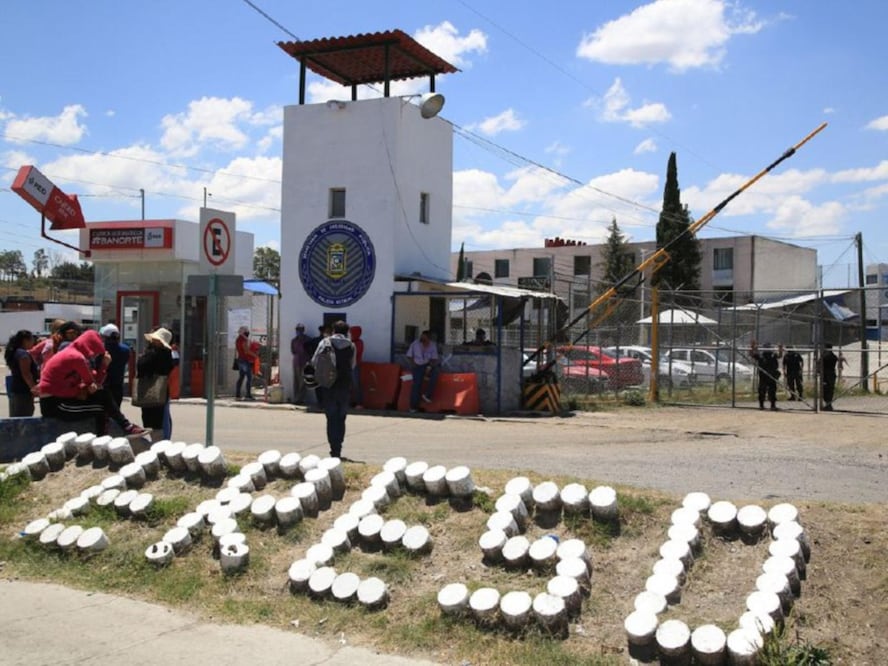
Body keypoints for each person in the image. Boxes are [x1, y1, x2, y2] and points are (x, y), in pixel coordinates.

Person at [38, 329, 149, 437]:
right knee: (101, 408)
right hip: (54, 404)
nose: (93, 356)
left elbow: (94, 383)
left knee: (103, 396)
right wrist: (104, 365)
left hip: (64, 398)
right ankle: (122, 429)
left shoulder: (74, 353)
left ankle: (123, 429)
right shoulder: (76, 357)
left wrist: (96, 376)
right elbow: (94, 384)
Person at [310, 320, 355, 459]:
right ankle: (339, 448)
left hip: (328, 385)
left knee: (331, 418)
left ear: (333, 330)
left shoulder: (325, 342)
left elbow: (314, 361)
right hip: (344, 385)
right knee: (341, 418)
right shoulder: (351, 346)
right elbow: (353, 365)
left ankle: (333, 450)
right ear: (347, 332)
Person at [137, 327, 175, 439]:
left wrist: (147, 353)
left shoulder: (157, 355)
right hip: (159, 392)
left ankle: (162, 443)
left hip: (155, 392)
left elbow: (142, 366)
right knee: (161, 418)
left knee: (158, 421)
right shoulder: (165, 354)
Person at [5, 330, 39, 417]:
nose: (33, 342)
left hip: (16, 390)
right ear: (25, 340)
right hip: (23, 392)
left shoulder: (15, 352)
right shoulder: (23, 354)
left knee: (16, 418)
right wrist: (33, 388)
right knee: (23, 418)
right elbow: (26, 374)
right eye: (31, 340)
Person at [406, 330, 441, 412]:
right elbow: (409, 355)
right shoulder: (415, 344)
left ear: (429, 339)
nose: (423, 341)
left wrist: (429, 367)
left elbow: (434, 359)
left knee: (436, 371)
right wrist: (413, 364)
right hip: (417, 365)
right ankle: (413, 407)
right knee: (416, 384)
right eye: (422, 338)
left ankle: (427, 395)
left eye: (425, 339)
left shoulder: (432, 345)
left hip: (427, 364)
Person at [99, 323, 131, 408]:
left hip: (103, 384)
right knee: (115, 411)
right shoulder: (125, 349)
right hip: (118, 385)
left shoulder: (101, 349)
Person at [751, 340, 782, 411]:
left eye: (768, 347)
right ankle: (761, 405)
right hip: (763, 376)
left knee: (772, 391)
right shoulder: (761, 355)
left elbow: (780, 356)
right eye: (766, 347)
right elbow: (752, 355)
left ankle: (773, 405)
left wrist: (780, 349)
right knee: (762, 390)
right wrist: (752, 347)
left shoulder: (773, 355)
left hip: (772, 375)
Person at [235, 326, 258, 401]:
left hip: (240, 360)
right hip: (245, 360)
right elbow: (246, 351)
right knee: (249, 377)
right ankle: (248, 395)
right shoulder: (243, 339)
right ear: (243, 332)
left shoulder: (238, 339)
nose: (247, 333)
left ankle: (237, 394)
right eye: (246, 331)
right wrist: (255, 355)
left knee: (241, 377)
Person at [290, 323, 310, 404]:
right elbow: (293, 351)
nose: (299, 331)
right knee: (296, 380)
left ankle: (301, 398)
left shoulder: (308, 339)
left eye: (300, 330)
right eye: (298, 330)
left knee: (304, 381)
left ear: (303, 330)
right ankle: (296, 398)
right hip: (297, 362)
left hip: (305, 361)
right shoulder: (294, 340)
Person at [821, 343, 841, 411]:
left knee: (827, 389)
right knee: (827, 389)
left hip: (828, 374)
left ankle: (828, 404)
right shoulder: (832, 356)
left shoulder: (829, 356)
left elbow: (821, 362)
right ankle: (828, 404)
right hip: (829, 374)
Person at [349, 324, 364, 407]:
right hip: (348, 366)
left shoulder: (358, 343)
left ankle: (359, 403)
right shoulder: (350, 342)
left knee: (356, 385)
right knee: (348, 385)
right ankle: (349, 402)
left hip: (354, 366)